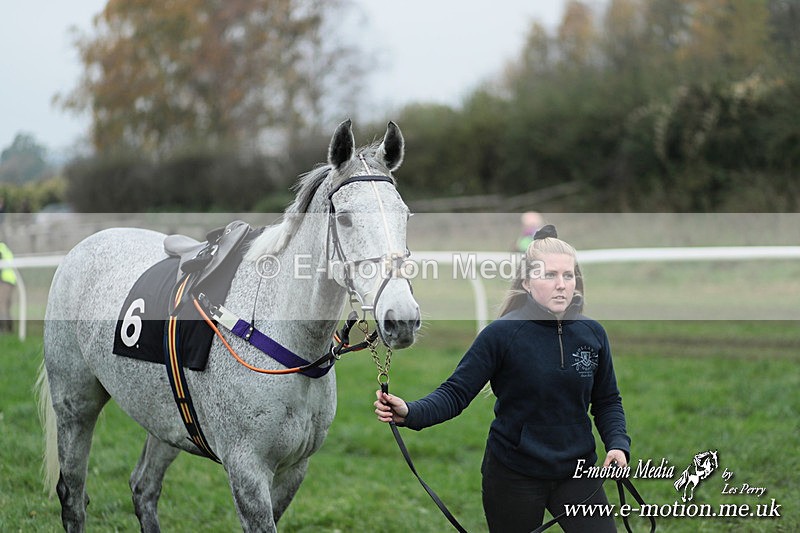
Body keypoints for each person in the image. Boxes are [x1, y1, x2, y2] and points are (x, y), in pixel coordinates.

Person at [375, 225, 630, 532]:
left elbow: (607, 401)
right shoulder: (501, 335)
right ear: (527, 282)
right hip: (514, 474)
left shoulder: (593, 334)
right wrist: (410, 412)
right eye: (550, 275)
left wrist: (617, 444)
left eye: (568, 275)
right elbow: (456, 393)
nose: (561, 285)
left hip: (578, 471)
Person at [0, 241, 17, 333]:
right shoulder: (4, 247)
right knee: (6, 305)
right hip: (10, 280)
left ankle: (4, 329)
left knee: (2, 305)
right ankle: (9, 328)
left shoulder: (1, 248)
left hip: (5, 280)